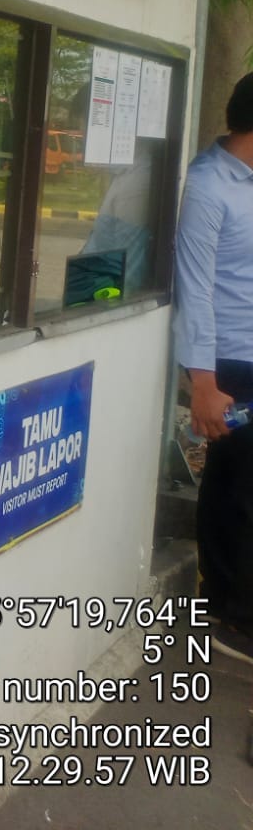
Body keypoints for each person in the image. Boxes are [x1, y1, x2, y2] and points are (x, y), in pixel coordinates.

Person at [174, 72, 253, 664]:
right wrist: (202, 381)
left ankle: (223, 604)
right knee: (240, 488)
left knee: (235, 483)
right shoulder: (208, 186)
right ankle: (234, 617)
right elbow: (195, 287)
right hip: (230, 363)